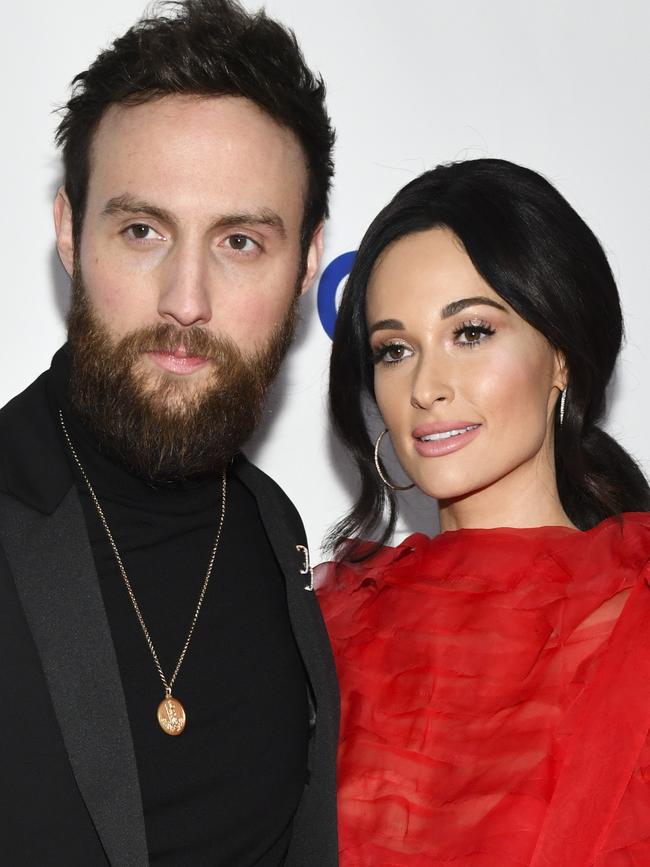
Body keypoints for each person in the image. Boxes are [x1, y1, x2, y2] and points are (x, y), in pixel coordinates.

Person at [0, 1, 339, 864]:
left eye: (239, 241)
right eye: (143, 230)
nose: (185, 299)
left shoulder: (278, 533)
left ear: (305, 264)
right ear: (71, 234)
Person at [318, 158, 650, 866]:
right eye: (395, 349)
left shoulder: (638, 601)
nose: (427, 386)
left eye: (470, 332)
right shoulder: (329, 628)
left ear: (560, 354)